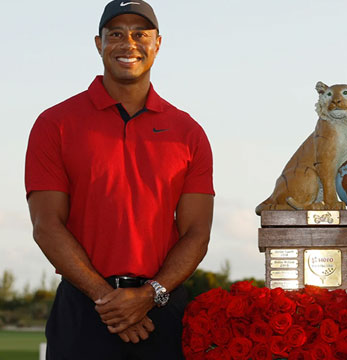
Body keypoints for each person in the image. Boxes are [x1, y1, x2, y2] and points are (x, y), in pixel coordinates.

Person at [24, 1, 214, 359]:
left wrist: (147, 296)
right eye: (116, 34)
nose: (129, 43)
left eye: (140, 34)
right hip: (83, 309)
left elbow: (197, 234)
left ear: (158, 43)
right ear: (99, 44)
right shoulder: (55, 124)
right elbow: (46, 225)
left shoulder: (188, 132)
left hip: (161, 308)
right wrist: (107, 300)